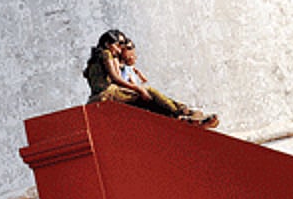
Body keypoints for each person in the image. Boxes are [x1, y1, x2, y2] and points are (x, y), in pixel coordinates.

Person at [83, 29, 218, 128]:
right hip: (109, 94)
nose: (120, 49)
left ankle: (182, 119)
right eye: (119, 45)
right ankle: (184, 112)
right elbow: (115, 77)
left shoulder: (93, 61)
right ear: (107, 44)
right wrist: (138, 88)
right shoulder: (106, 54)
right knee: (150, 93)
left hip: (96, 97)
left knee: (146, 102)